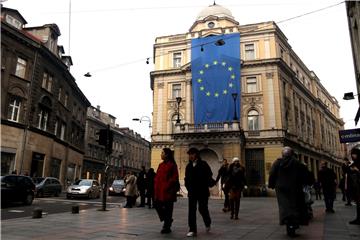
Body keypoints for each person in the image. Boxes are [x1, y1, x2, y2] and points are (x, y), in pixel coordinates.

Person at [268, 147, 311, 237]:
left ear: (282, 154)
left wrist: (271, 184)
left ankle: (288, 223)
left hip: (281, 189)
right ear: (291, 154)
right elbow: (305, 174)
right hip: (294, 188)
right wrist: (306, 183)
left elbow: (272, 174)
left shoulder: (277, 162)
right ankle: (293, 225)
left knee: (284, 207)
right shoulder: (297, 163)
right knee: (295, 206)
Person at [185, 147, 215, 237]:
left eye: (192, 154)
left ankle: (207, 222)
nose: (190, 156)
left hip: (202, 191)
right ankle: (192, 230)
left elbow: (209, 174)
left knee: (202, 209)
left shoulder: (203, 164)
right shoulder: (188, 166)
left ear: (196, 155)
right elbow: (186, 179)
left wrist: (205, 182)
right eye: (189, 154)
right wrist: (188, 187)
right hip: (192, 192)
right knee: (191, 211)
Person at [154, 148, 179, 234]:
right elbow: (157, 176)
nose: (161, 154)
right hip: (159, 191)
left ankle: (167, 226)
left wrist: (167, 186)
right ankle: (167, 219)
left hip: (168, 191)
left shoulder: (172, 165)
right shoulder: (160, 165)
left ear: (167, 154)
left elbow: (174, 177)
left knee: (168, 209)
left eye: (162, 153)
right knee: (157, 205)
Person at [345, 147, 360, 225]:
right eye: (352, 154)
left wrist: (357, 170)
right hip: (356, 186)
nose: (352, 156)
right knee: (358, 203)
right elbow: (347, 170)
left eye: (354, 154)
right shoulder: (354, 163)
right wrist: (348, 166)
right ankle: (358, 219)